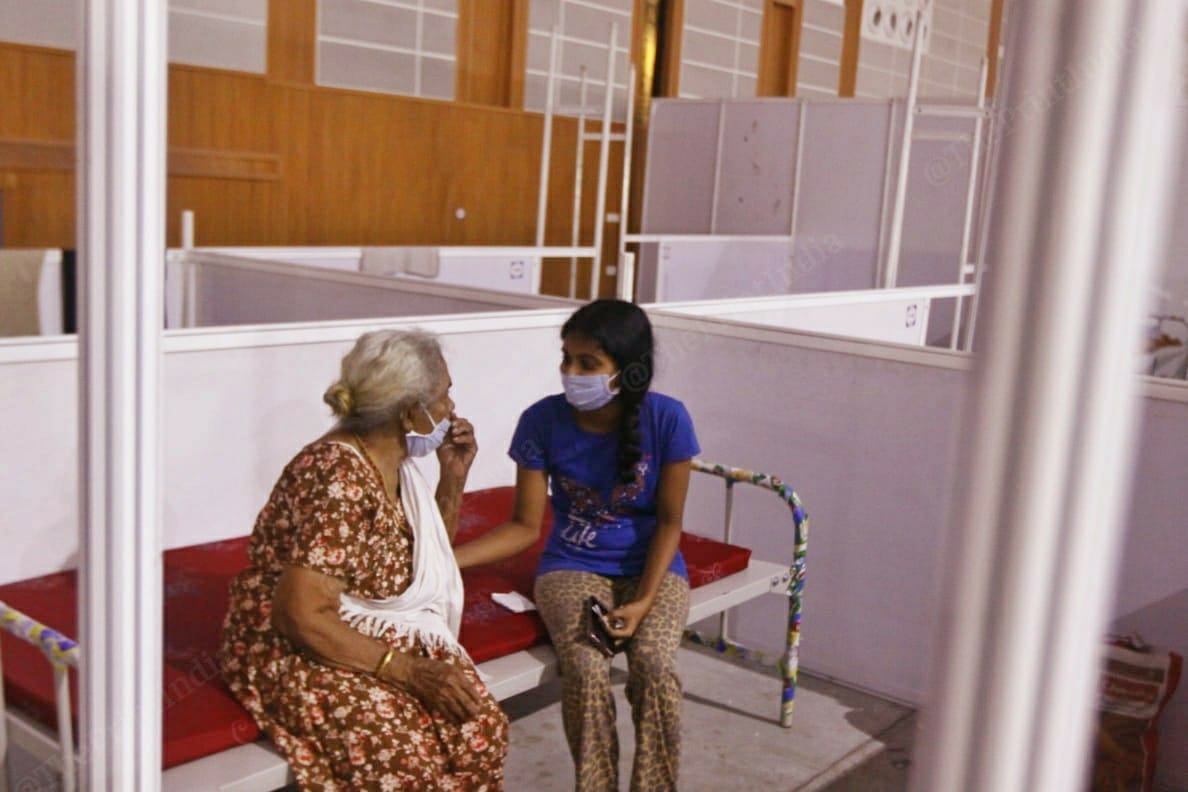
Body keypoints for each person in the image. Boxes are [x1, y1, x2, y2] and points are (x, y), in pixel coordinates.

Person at [219, 329, 508, 791]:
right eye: (445, 394)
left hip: (368, 628)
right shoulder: (338, 477)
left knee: (478, 728)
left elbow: (425, 562)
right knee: (402, 762)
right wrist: (408, 670)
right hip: (298, 643)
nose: (451, 408)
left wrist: (452, 477)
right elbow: (300, 615)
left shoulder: (395, 462)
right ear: (410, 412)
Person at [455, 299, 700, 792]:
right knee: (586, 668)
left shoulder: (668, 419)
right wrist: (445, 559)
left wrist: (643, 602)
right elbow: (525, 526)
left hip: (652, 569)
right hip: (571, 566)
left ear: (627, 370)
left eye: (588, 363)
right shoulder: (541, 421)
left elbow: (671, 524)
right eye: (566, 359)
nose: (571, 373)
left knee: (654, 668)